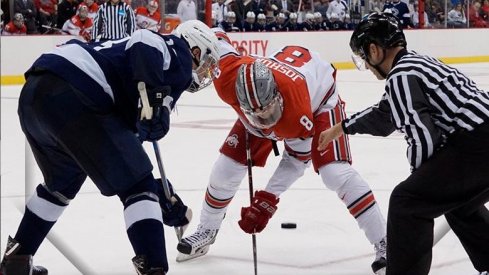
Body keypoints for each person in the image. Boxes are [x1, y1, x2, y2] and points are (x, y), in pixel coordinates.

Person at [0, 20, 220, 275]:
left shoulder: (141, 71)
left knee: (61, 184)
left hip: (37, 95)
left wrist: (160, 195)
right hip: (75, 93)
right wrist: (152, 95)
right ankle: (154, 268)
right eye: (206, 62)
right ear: (195, 49)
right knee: (139, 187)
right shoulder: (177, 50)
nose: (205, 72)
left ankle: (17, 261)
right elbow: (143, 39)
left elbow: (119, 153)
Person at [176, 30, 388, 275]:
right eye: (257, 115)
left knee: (335, 173)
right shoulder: (226, 78)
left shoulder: (297, 113)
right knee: (225, 169)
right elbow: (215, 37)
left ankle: (385, 242)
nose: (265, 120)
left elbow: (297, 159)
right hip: (262, 96)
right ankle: (207, 229)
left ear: (276, 95)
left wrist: (269, 197)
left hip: (319, 101)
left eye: (267, 111)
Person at [317, 12, 489, 275]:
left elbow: (423, 137)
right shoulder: (416, 64)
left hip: (478, 142)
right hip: (481, 137)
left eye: (364, 57)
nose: (366, 64)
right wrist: (342, 127)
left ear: (374, 51)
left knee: (407, 202)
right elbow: (386, 113)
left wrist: (419, 182)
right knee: (458, 203)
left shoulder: (400, 76)